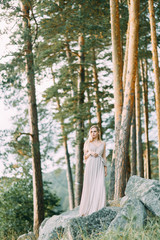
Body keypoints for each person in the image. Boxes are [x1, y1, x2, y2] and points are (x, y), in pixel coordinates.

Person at [79, 125, 107, 216]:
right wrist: (90, 153)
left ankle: (99, 207)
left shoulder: (103, 143)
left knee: (100, 185)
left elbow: (104, 156)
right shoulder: (87, 143)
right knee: (90, 185)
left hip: (99, 165)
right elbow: (85, 157)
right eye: (91, 132)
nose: (93, 133)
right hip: (90, 165)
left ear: (98, 132)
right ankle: (88, 208)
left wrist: (105, 167)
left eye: (95, 131)